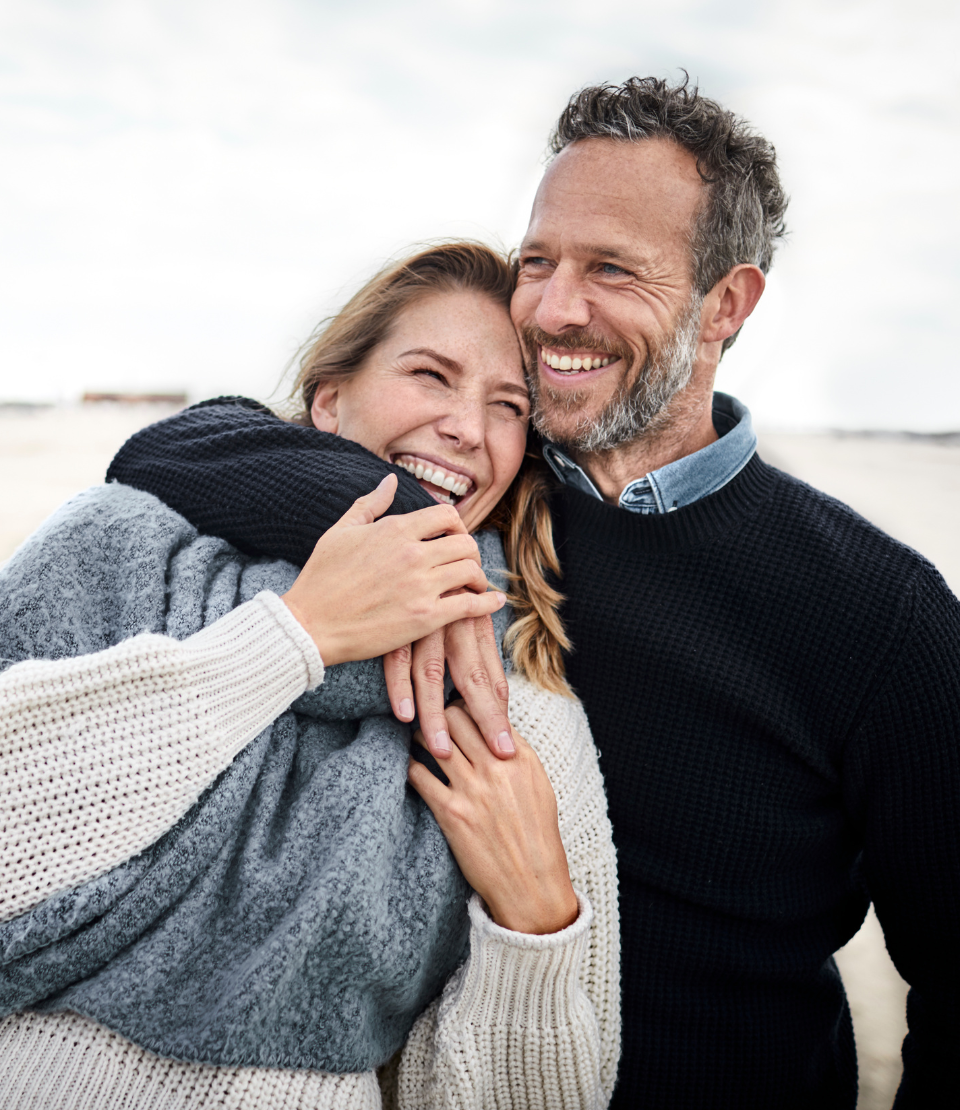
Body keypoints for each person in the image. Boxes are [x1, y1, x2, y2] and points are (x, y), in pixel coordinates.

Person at [114, 77, 960, 1109]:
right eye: (539, 262)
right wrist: (403, 522)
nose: (555, 310)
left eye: (613, 269)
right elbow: (172, 445)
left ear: (724, 305)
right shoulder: (487, 498)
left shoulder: (880, 613)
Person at [0, 244, 619, 1109]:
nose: (467, 430)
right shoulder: (115, 545)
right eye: (431, 375)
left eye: (508, 406)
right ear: (330, 399)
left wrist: (537, 924)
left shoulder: (509, 695)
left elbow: (548, 1096)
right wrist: (295, 637)